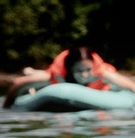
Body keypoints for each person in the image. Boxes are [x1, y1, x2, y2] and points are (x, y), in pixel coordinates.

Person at [7, 42, 135, 107]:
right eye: (79, 71)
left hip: (104, 88)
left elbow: (131, 86)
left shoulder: (102, 73)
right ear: (70, 69)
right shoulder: (56, 74)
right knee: (41, 79)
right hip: (53, 78)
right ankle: (32, 73)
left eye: (88, 70)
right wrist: (7, 107)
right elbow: (18, 83)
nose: (84, 75)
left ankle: (32, 71)